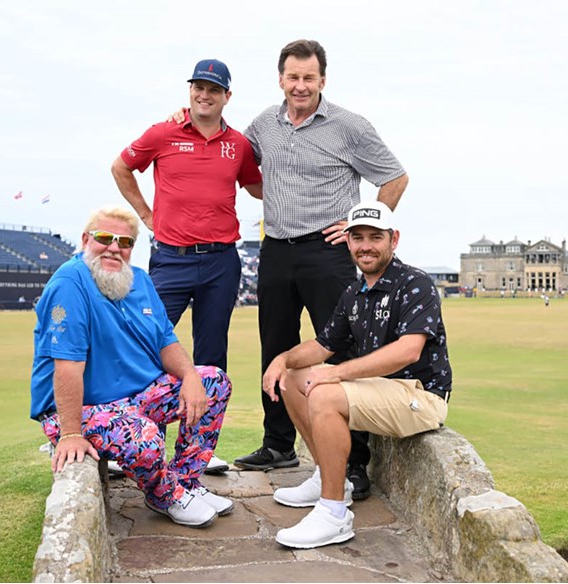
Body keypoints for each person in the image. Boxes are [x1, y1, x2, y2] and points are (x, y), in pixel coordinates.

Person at [232, 40, 409, 501]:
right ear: (280, 79)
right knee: (276, 346)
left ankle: (352, 464)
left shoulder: (348, 126)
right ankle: (278, 446)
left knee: (338, 348)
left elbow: (394, 176)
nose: (300, 86)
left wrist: (356, 224)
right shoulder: (263, 125)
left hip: (327, 254)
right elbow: (239, 165)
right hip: (276, 248)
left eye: (309, 78)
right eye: (293, 77)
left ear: (322, 81)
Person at [262, 201, 452, 549]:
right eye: (358, 237)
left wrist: (336, 376)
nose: (366, 245)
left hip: (419, 395)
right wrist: (283, 359)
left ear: (393, 240)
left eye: (375, 237)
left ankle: (334, 513)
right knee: (292, 378)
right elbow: (323, 345)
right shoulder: (354, 291)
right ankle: (328, 477)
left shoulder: (415, 283)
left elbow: (408, 350)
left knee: (323, 391)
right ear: (347, 241)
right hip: (379, 391)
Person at [29, 206, 234, 528]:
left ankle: (186, 483)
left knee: (214, 381)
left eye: (124, 242)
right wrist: (69, 434)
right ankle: (164, 495)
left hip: (136, 396)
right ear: (85, 240)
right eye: (105, 238)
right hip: (82, 407)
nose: (114, 247)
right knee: (142, 433)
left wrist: (191, 375)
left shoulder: (138, 279)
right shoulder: (70, 283)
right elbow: (67, 365)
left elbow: (165, 340)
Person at [112, 58, 262, 475]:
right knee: (144, 344)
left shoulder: (239, 145)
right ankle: (133, 440)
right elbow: (121, 167)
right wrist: (145, 214)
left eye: (213, 89)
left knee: (212, 354)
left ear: (226, 96)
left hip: (220, 261)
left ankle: (198, 450)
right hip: (171, 260)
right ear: (190, 91)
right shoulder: (164, 132)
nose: (204, 95)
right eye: (198, 87)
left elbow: (256, 186)